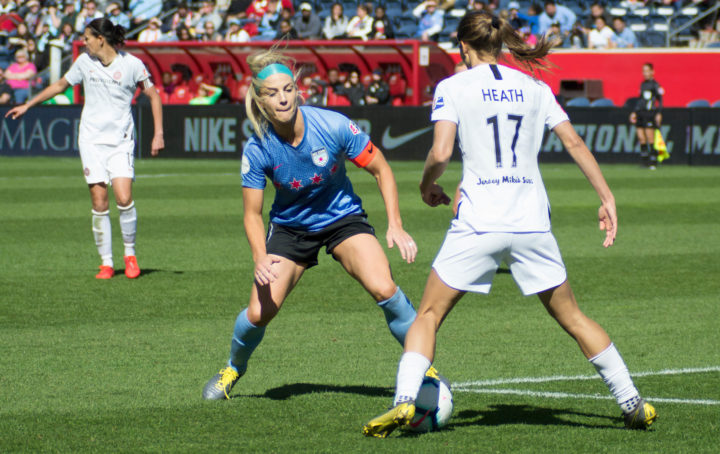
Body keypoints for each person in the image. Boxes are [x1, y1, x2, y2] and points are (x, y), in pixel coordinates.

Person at [362, 11, 657, 438]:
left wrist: (427, 185)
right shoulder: (535, 87)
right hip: (531, 220)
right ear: (501, 46)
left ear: (463, 47)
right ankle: (632, 403)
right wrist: (606, 197)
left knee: (427, 314)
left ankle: (405, 401)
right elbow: (572, 141)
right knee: (573, 316)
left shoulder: (452, 86)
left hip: (480, 220)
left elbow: (441, 153)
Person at [201, 47, 420, 400]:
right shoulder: (258, 148)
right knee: (259, 313)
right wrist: (260, 256)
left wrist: (395, 223)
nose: (283, 98)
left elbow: (381, 168)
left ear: (298, 90)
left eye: (287, 89)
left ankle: (423, 370)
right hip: (290, 228)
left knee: (384, 288)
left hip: (342, 218)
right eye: (272, 93)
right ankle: (233, 367)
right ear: (260, 101)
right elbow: (251, 213)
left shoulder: (332, 125)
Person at [5, 18, 164, 279]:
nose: (84, 42)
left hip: (120, 140)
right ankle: (106, 263)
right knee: (99, 202)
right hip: (91, 140)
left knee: (124, 198)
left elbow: (153, 95)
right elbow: (59, 85)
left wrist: (158, 134)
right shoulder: (84, 62)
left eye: (87, 37)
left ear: (101, 39)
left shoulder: (132, 64)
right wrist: (28, 105)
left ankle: (130, 255)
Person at [630, 63, 663, 169]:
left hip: (650, 113)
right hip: (640, 113)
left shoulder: (655, 85)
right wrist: (634, 112)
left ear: (652, 72)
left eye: (647, 71)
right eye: (644, 71)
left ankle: (653, 161)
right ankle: (644, 161)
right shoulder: (642, 84)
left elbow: (660, 100)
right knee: (641, 137)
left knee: (650, 138)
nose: (645, 73)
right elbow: (640, 100)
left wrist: (658, 113)